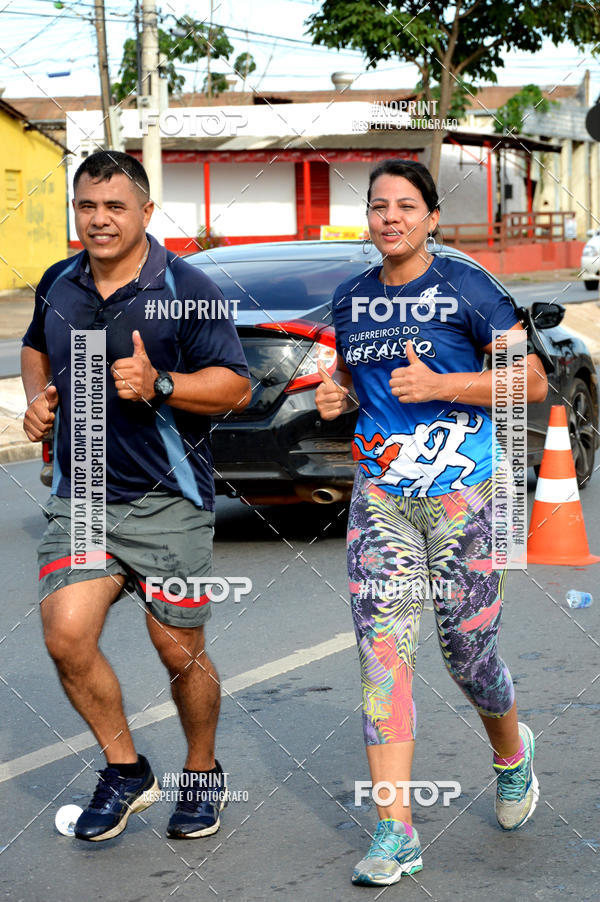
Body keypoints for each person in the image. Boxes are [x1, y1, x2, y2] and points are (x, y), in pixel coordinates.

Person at [315, 159, 547, 886]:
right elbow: (354, 378)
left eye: (405, 206)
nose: (390, 217)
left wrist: (446, 384)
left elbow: (533, 380)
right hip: (381, 499)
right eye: (378, 206)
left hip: (469, 496)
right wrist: (335, 393)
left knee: (468, 654)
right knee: (383, 658)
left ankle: (513, 755)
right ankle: (395, 832)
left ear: (431, 218)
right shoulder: (350, 298)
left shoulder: (465, 287)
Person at [21, 151, 251, 842]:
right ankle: (126, 770)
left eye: (115, 206)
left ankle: (202, 771)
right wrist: (38, 398)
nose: (100, 219)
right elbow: (36, 346)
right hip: (82, 494)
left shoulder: (188, 287)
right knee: (65, 635)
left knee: (177, 650)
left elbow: (236, 387)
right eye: (87, 206)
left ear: (146, 213)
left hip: (167, 500)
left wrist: (164, 385)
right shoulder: (58, 283)